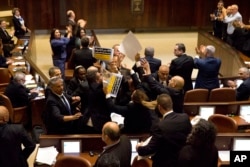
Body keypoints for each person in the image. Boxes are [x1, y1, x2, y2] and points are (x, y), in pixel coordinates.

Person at [136, 94, 192, 167]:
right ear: (171, 104)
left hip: (165, 163)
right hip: (183, 161)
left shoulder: (160, 126)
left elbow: (150, 149)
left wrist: (139, 148)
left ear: (159, 107)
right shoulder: (185, 117)